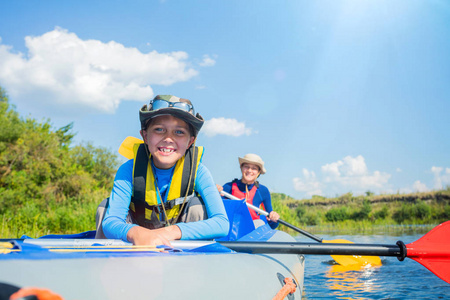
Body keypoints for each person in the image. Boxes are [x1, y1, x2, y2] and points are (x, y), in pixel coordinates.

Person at [95, 95, 229, 246]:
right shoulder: (128, 170)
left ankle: (193, 267)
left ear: (190, 141)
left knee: (198, 207)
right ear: (145, 136)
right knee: (104, 207)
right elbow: (111, 221)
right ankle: (107, 265)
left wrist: (167, 233)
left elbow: (221, 223)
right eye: (159, 129)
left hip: (178, 242)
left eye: (179, 132)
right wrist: (136, 233)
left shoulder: (199, 172)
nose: (168, 138)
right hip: (137, 238)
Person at [217, 153, 280, 229]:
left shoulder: (263, 191)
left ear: (258, 172)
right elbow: (217, 208)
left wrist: (274, 218)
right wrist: (215, 192)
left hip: (252, 230)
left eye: (254, 168)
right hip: (232, 228)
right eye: (246, 167)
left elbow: (272, 225)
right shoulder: (228, 187)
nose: (250, 170)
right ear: (241, 168)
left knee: (260, 222)